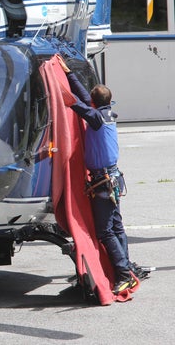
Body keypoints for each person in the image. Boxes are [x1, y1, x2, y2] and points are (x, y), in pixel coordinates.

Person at [57, 56, 137, 295]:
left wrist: (63, 93)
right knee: (117, 226)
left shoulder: (94, 117)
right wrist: (69, 73)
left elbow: (77, 103)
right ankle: (128, 268)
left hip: (104, 180)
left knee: (105, 231)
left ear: (94, 102)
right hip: (112, 178)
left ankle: (123, 275)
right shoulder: (107, 114)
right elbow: (84, 98)